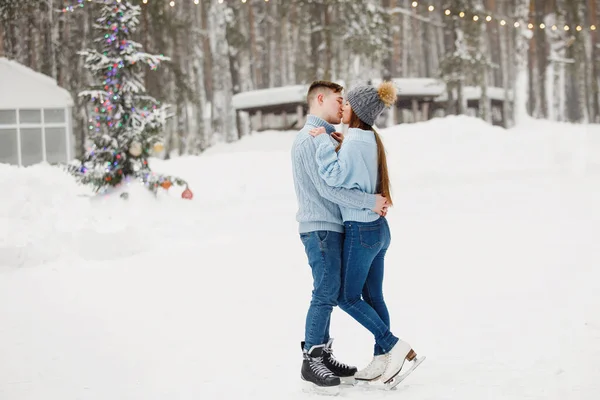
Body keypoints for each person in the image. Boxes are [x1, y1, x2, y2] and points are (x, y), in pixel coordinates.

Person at [308, 81, 423, 387]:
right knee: (373, 296)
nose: (342, 106)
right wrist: (336, 142)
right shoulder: (365, 138)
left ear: (356, 110)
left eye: (347, 103)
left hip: (361, 230)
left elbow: (333, 177)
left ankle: (393, 345)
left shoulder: (355, 141)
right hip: (377, 230)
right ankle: (383, 358)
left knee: (347, 297)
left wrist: (321, 142)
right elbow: (352, 171)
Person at [291, 80, 390, 392]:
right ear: (320, 99)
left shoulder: (328, 137)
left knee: (332, 292)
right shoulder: (308, 139)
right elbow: (328, 188)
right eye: (338, 99)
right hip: (320, 227)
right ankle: (312, 360)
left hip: (333, 226)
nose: (342, 105)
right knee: (325, 292)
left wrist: (337, 144)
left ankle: (324, 353)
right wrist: (370, 202)